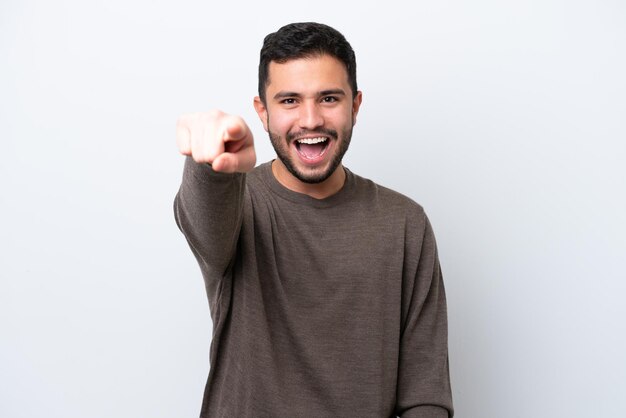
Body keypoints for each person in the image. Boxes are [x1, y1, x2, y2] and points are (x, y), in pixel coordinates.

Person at [174, 22, 453, 418]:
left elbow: (426, 394)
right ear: (263, 112)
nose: (310, 120)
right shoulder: (240, 203)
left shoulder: (405, 223)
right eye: (289, 100)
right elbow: (203, 217)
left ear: (355, 106)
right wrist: (210, 166)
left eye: (328, 98)